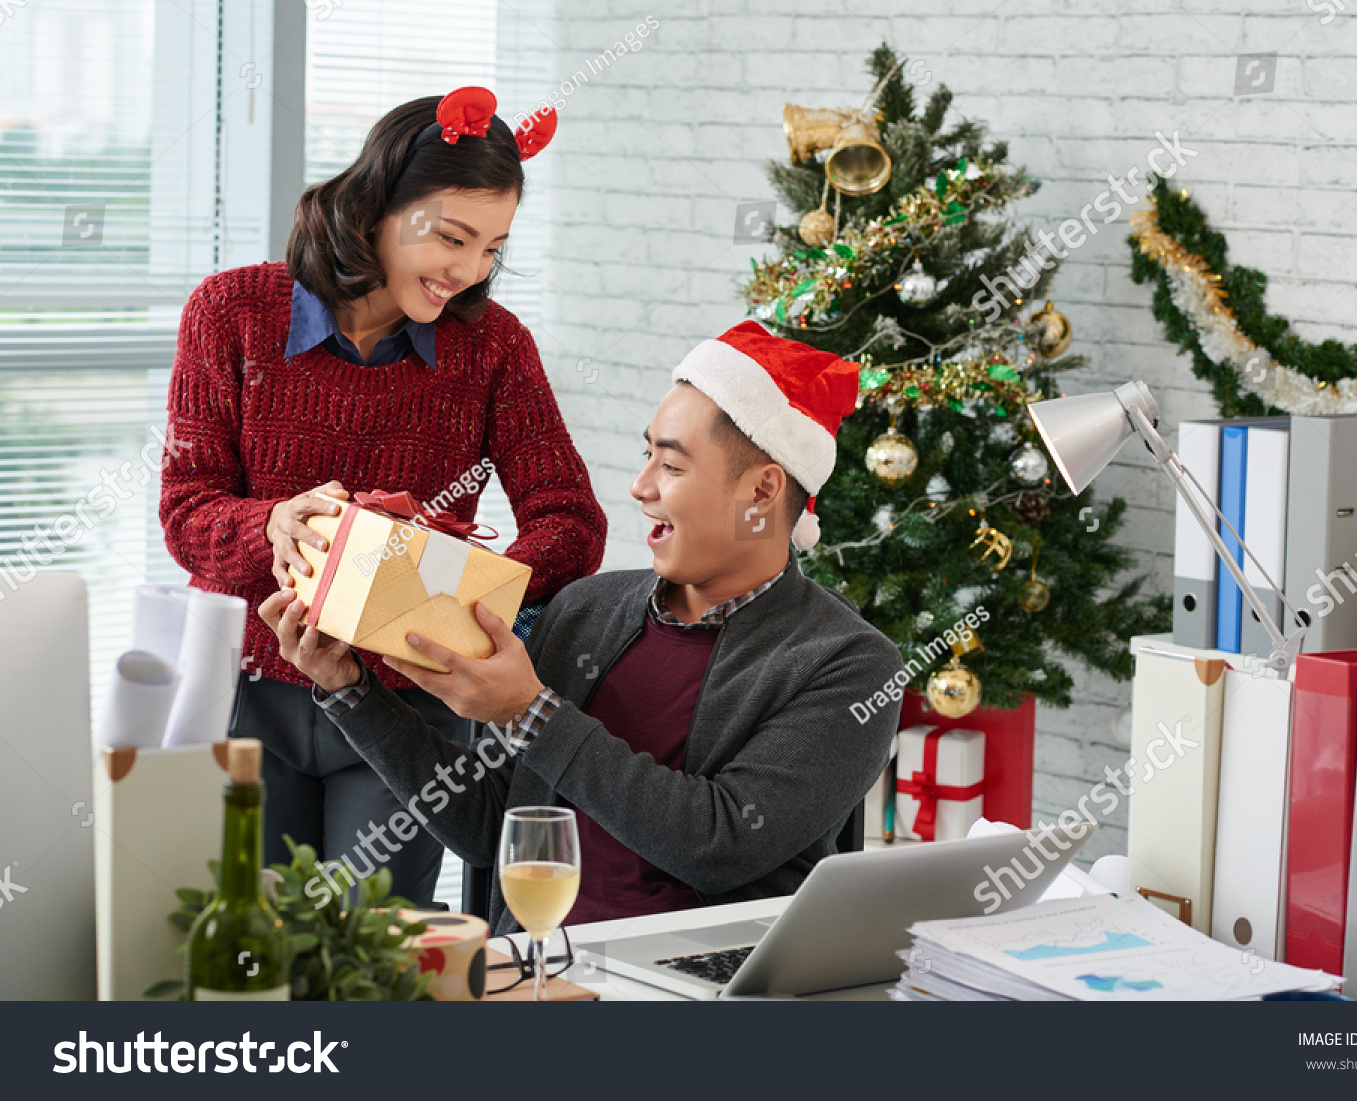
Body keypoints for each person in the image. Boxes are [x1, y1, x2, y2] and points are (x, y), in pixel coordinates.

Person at [259, 321, 903, 933]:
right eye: (645, 455)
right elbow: (490, 826)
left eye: (672, 467)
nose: (638, 486)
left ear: (763, 492)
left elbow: (719, 845)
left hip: (697, 986)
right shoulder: (587, 611)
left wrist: (529, 712)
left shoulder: (846, 665)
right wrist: (349, 690)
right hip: (536, 964)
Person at [160, 88, 606, 906]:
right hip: (246, 691)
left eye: (492, 247)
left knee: (376, 963)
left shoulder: (494, 347)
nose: (470, 270)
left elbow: (571, 522)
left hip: (406, 716)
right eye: (452, 237)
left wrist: (467, 586)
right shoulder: (229, 314)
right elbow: (186, 513)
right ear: (375, 206)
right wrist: (274, 525)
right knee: (259, 958)